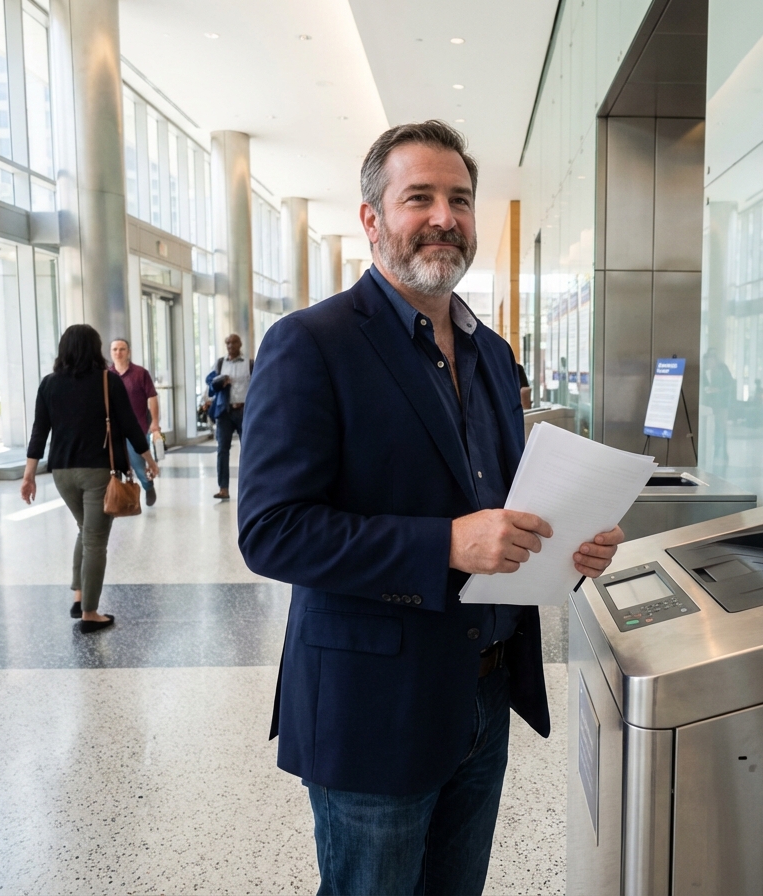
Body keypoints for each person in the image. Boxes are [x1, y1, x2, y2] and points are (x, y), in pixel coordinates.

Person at [237, 120, 624, 896]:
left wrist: (569, 545)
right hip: (373, 706)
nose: (445, 216)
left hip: (481, 692)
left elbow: (505, 502)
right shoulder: (311, 343)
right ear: (373, 219)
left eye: (461, 199)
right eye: (420, 197)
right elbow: (271, 531)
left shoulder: (492, 352)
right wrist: (443, 545)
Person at [22, 324, 159, 632]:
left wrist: (29, 474)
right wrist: (148, 461)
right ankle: (90, 614)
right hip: (99, 472)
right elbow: (129, 426)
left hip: (61, 473)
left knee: (85, 530)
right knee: (96, 539)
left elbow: (39, 432)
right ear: (95, 348)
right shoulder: (107, 381)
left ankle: (79, 595)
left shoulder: (49, 384)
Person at [109, 338, 160, 507]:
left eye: (122, 349)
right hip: (114, 431)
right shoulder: (106, 375)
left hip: (137, 428)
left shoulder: (140, 373)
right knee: (114, 467)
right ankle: (118, 497)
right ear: (111, 353)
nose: (118, 352)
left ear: (128, 352)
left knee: (138, 466)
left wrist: (155, 423)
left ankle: (148, 486)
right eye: (115, 349)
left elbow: (152, 397)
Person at [206, 334, 252, 501]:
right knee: (222, 450)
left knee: (248, 450)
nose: (231, 346)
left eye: (234, 342)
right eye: (228, 343)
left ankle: (249, 487)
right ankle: (223, 488)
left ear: (240, 344)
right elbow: (210, 385)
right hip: (225, 411)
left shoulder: (249, 364)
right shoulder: (220, 363)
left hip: (244, 411)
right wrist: (220, 382)